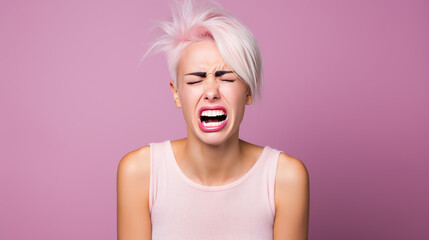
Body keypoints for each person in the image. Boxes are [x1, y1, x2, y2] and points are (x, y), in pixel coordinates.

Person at [117, 0, 309, 239]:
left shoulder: (285, 177)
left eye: (226, 77)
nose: (211, 91)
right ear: (176, 93)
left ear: (248, 91)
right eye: (195, 80)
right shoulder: (140, 172)